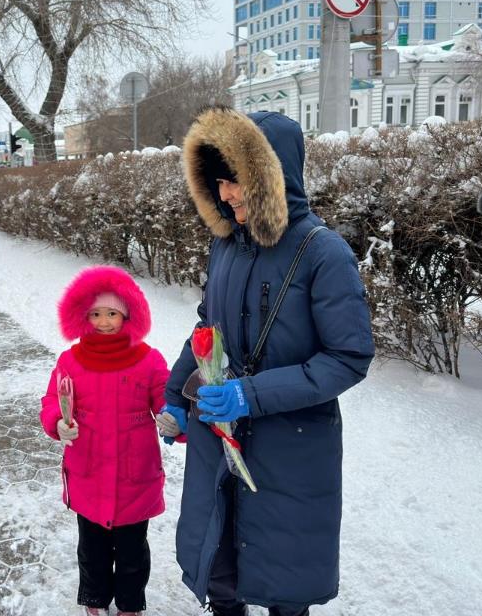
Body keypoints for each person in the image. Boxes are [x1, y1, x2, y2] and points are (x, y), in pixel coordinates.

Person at [159, 107, 375, 616]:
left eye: (235, 180)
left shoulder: (323, 253)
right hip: (219, 438)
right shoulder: (225, 246)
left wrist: (250, 395)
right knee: (221, 562)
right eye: (218, 182)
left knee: (283, 574)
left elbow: (348, 357)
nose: (226, 194)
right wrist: (176, 399)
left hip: (290, 445)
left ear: (269, 178)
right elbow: (207, 329)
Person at [40, 265, 177, 616]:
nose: (104, 322)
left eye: (112, 314)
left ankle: (130, 603)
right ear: (83, 316)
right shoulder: (71, 360)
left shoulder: (148, 360)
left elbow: (165, 396)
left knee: (133, 552)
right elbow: (53, 399)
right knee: (92, 549)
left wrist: (172, 417)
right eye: (96, 314)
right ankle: (95, 598)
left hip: (135, 477)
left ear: (128, 315)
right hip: (88, 473)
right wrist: (58, 421)